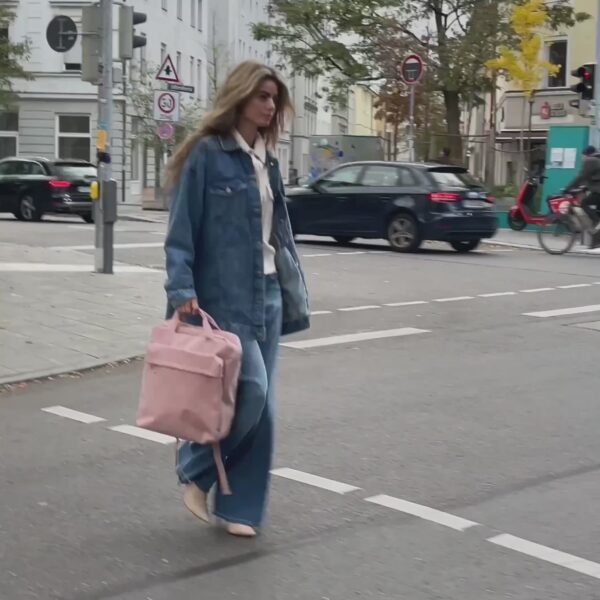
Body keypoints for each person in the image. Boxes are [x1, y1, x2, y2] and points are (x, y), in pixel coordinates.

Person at [163, 61, 310, 537]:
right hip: (222, 297)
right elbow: (181, 231)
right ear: (240, 96)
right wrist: (181, 289)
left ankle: (239, 509)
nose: (270, 106)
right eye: (262, 96)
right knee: (253, 391)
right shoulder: (207, 154)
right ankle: (196, 468)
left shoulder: (268, 159)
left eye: (274, 98)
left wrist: (291, 288)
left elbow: (277, 234)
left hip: (269, 293)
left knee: (263, 410)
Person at [565, 145, 600, 236]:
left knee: (584, 203)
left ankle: (597, 221)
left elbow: (581, 177)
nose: (582, 158)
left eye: (582, 156)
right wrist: (585, 187)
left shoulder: (590, 160)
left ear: (586, 155)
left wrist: (567, 188)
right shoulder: (597, 160)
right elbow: (594, 178)